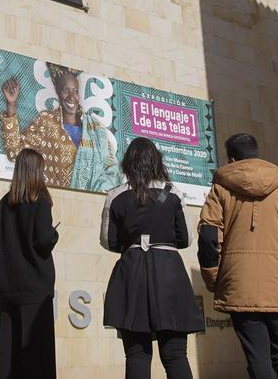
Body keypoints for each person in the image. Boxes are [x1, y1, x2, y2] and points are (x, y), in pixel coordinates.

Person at [198, 133, 278, 379]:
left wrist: (213, 279)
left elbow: (209, 238)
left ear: (231, 158)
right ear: (256, 153)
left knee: (257, 357)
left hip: (239, 283)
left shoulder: (219, 191)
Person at [101, 137, 204, 378]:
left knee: (136, 355)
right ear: (156, 162)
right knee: (176, 355)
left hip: (131, 274)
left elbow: (108, 240)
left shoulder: (115, 195)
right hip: (169, 274)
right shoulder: (173, 193)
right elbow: (186, 238)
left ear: (128, 164)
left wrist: (133, 245)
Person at [0, 148, 59, 379]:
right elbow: (43, 240)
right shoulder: (41, 201)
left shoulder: (5, 202)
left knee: (7, 355)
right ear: (36, 172)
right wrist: (54, 235)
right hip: (35, 290)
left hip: (8, 289)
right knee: (37, 357)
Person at [1, 64, 120, 191]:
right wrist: (11, 105)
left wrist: (97, 192)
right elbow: (15, 153)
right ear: (57, 92)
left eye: (75, 91)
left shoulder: (96, 129)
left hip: (89, 204)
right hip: (55, 201)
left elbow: (112, 170)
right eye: (65, 90)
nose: (71, 96)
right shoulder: (46, 121)